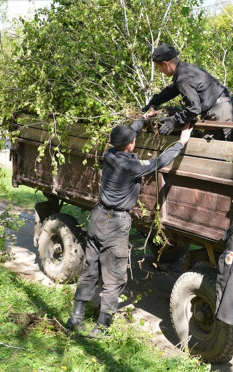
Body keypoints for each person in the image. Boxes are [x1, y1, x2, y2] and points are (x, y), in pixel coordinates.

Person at [65, 120, 193, 337]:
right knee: (114, 276)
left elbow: (127, 136)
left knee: (90, 268)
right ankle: (102, 327)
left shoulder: (109, 155)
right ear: (131, 145)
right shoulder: (132, 167)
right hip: (115, 224)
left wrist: (144, 118)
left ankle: (75, 317)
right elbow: (160, 161)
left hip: (97, 218)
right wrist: (181, 142)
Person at [140, 43, 233, 140]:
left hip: (221, 112)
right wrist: (151, 104)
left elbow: (194, 108)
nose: (160, 71)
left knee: (207, 152)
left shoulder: (183, 78)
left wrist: (174, 121)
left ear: (165, 64)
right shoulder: (185, 70)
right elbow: (171, 91)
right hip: (229, 107)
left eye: (158, 67)